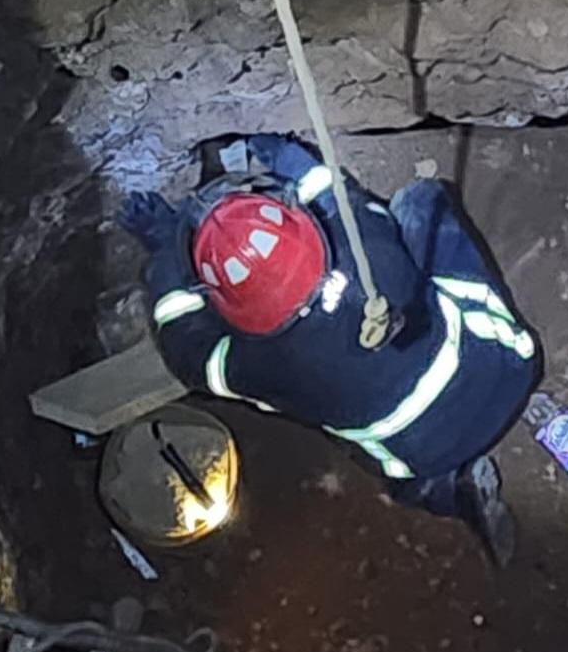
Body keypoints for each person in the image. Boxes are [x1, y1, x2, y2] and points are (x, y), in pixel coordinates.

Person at [117, 134, 540, 565]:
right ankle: (457, 468)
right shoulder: (368, 253)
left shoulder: (262, 365)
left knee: (397, 456)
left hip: (424, 458)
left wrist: (165, 247)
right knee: (419, 202)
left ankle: (451, 491)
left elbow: (188, 353)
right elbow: (332, 191)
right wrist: (280, 151)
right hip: (509, 366)